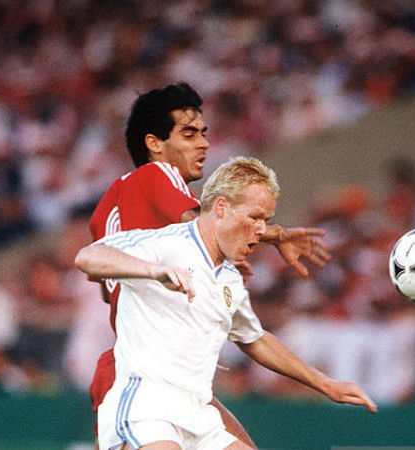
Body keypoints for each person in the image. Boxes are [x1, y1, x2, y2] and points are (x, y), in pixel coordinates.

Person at [87, 82, 331, 446]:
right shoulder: (158, 174)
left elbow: (113, 295)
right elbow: (203, 224)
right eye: (189, 134)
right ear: (155, 144)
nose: (203, 144)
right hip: (152, 378)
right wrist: (274, 235)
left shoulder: (106, 209)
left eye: (203, 133)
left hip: (125, 368)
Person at [76, 156, 377, 450]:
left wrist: (326, 384)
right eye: (255, 217)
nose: (262, 230)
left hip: (197, 414)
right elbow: (89, 256)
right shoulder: (165, 243)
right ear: (221, 208)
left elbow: (254, 339)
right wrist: (152, 270)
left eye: (266, 220)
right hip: (146, 405)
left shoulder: (229, 278)